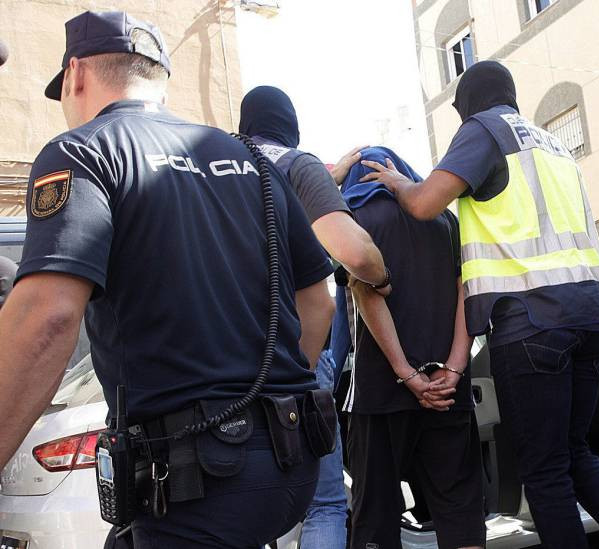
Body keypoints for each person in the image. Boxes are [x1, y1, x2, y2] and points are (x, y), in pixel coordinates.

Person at [0, 11, 335, 548]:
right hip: (288, 463)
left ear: (76, 74)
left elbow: (48, 318)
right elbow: (318, 302)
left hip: (195, 478)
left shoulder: (85, 150)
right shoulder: (251, 159)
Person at [361, 60, 599, 549]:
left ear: (466, 109)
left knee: (543, 471)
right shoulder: (552, 144)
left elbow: (423, 205)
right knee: (573, 453)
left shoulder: (484, 130)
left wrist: (398, 183)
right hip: (591, 315)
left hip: (532, 322)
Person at [239, 86, 389, 549]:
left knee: (236, 507)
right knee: (324, 503)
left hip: (221, 368)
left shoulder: (210, 166)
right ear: (292, 127)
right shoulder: (295, 166)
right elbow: (354, 256)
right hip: (293, 356)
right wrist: (381, 279)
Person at [339, 146, 485, 549]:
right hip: (448, 392)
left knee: (377, 515)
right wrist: (453, 369)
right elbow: (468, 292)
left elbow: (366, 292)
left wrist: (406, 374)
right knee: (460, 509)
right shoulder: (447, 222)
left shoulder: (355, 222)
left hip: (382, 392)